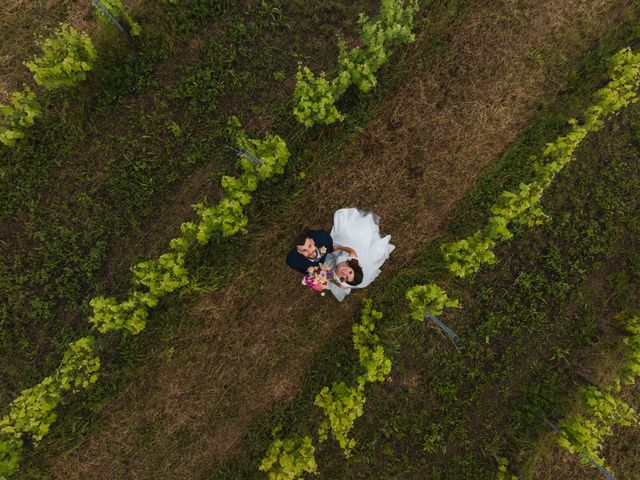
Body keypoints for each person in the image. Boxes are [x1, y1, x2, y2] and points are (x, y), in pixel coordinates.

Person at [323, 208, 395, 302]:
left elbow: (332, 278)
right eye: (350, 272)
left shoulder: (339, 279)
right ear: (353, 268)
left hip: (344, 274)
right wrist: (340, 247)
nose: (345, 272)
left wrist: (327, 273)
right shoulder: (353, 258)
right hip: (353, 252)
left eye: (346, 277)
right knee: (345, 236)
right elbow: (350, 249)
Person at [285, 229, 358, 275]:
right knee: (327, 276)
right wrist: (313, 274)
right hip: (320, 269)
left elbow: (329, 246)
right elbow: (304, 271)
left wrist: (338, 248)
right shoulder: (292, 261)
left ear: (313, 241)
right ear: (299, 252)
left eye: (310, 246)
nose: (310, 252)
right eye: (304, 250)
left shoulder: (323, 238)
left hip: (326, 262)